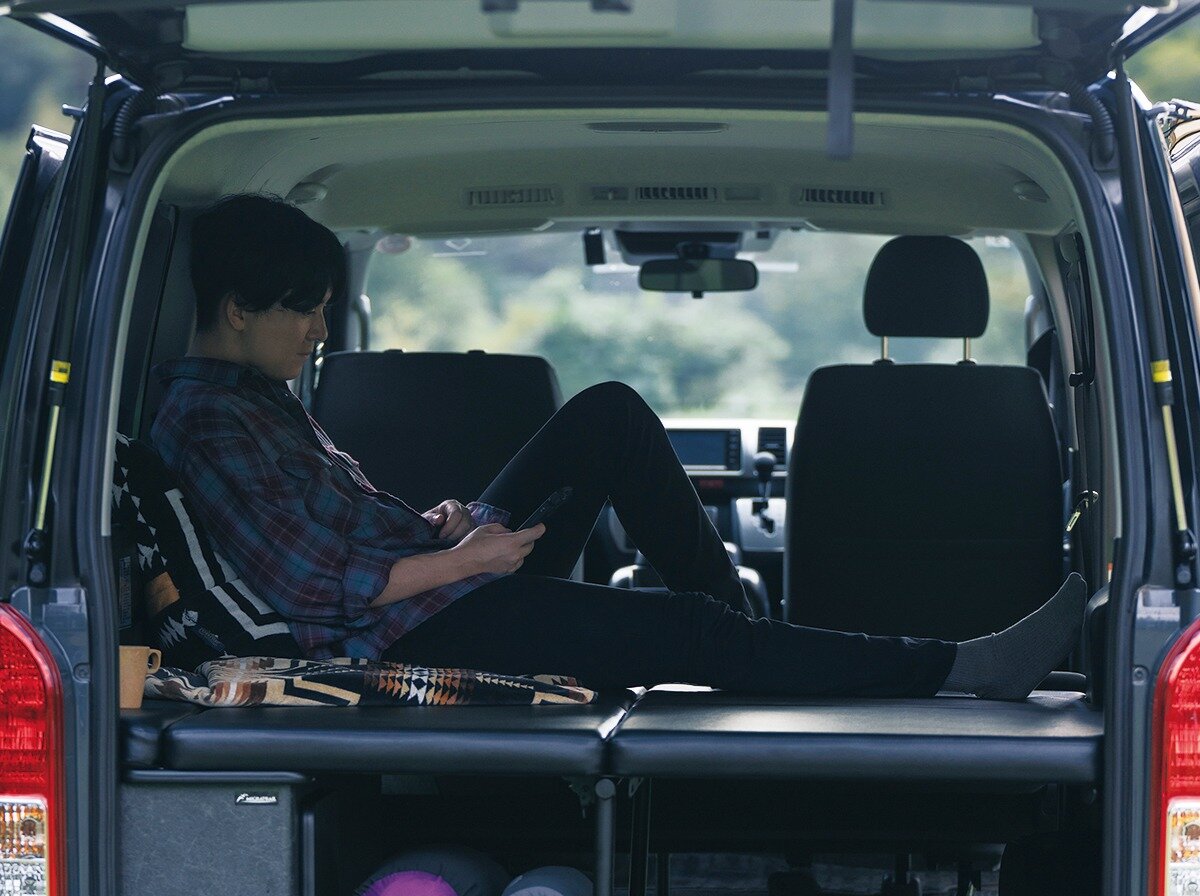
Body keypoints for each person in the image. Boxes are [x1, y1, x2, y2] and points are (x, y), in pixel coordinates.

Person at [150, 194, 1085, 700]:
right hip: (408, 628)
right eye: (307, 310)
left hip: (434, 580)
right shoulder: (210, 423)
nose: (321, 331)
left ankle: (743, 645)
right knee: (687, 631)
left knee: (608, 414)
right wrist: (466, 559)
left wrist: (441, 529)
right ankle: (964, 668)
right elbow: (317, 589)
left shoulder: (259, 400)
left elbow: (337, 536)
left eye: (326, 307)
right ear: (237, 310)